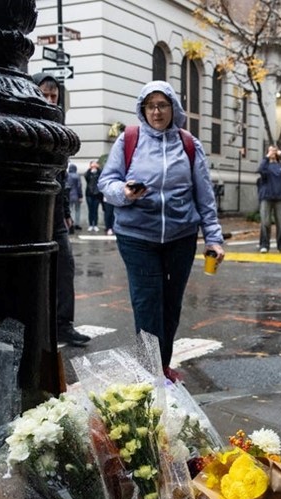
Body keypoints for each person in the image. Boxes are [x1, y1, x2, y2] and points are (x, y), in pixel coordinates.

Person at [98, 80, 224, 383]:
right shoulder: (128, 139)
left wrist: (214, 238)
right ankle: (148, 372)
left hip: (180, 236)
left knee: (171, 304)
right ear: (143, 109)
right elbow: (107, 182)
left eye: (163, 105)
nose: (157, 111)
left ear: (173, 108)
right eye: (151, 105)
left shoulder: (188, 143)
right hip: (137, 236)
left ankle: (161, 366)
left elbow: (204, 195)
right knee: (147, 303)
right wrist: (125, 191)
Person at [34, 71, 91, 348]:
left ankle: (63, 324)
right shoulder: (28, 123)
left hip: (55, 212)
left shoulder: (60, 126)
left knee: (64, 267)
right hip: (31, 211)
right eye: (44, 94)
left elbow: (62, 177)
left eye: (53, 96)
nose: (49, 100)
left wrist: (66, 212)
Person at [256, 144, 281, 253]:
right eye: (270, 151)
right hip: (266, 197)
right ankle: (264, 245)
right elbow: (260, 169)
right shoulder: (266, 165)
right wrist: (267, 157)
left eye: (274, 150)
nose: (273, 153)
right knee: (265, 222)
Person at [83, 159, 103, 232]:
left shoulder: (99, 173)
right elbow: (86, 177)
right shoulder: (89, 173)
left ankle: (95, 225)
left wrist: (98, 168)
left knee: (95, 210)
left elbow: (102, 176)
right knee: (90, 210)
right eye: (92, 164)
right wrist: (89, 169)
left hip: (97, 194)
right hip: (89, 194)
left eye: (95, 164)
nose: (94, 166)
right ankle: (91, 224)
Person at [65, 162, 84, 232]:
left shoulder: (67, 175)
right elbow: (79, 187)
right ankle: (77, 223)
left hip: (69, 195)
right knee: (77, 210)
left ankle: (71, 223)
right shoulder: (77, 176)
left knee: (70, 210)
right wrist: (80, 196)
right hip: (76, 195)